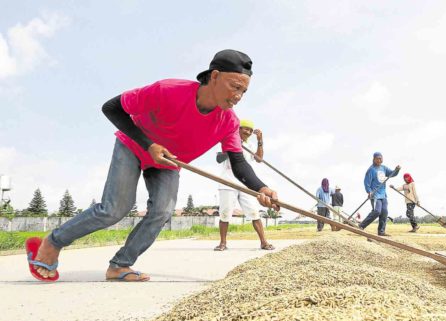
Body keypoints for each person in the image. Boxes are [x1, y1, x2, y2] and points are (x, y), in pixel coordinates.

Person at [26, 49, 279, 282]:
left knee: (162, 211)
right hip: (135, 144)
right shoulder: (169, 90)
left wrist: (261, 188)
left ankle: (120, 265)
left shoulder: (228, 122)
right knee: (114, 209)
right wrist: (148, 144)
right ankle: (52, 242)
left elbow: (237, 162)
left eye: (243, 92)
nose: (238, 97)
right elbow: (111, 108)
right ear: (214, 76)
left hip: (168, 162)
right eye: (234, 87)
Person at [214, 119, 274, 251]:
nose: (248, 132)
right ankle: (223, 243)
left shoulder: (250, 145)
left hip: (246, 184)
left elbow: (259, 159)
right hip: (227, 182)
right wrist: (234, 147)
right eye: (245, 128)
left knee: (254, 213)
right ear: (238, 129)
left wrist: (260, 141)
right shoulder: (228, 140)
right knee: (225, 214)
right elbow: (219, 159)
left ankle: (264, 242)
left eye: (250, 130)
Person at [358, 152, 400, 236]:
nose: (379, 160)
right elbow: (366, 182)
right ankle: (361, 225)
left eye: (381, 158)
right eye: (377, 158)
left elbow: (392, 173)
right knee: (377, 211)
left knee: (384, 212)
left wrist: (397, 170)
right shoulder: (371, 170)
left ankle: (381, 231)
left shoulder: (384, 168)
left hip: (383, 195)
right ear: (374, 159)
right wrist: (369, 191)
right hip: (375, 194)